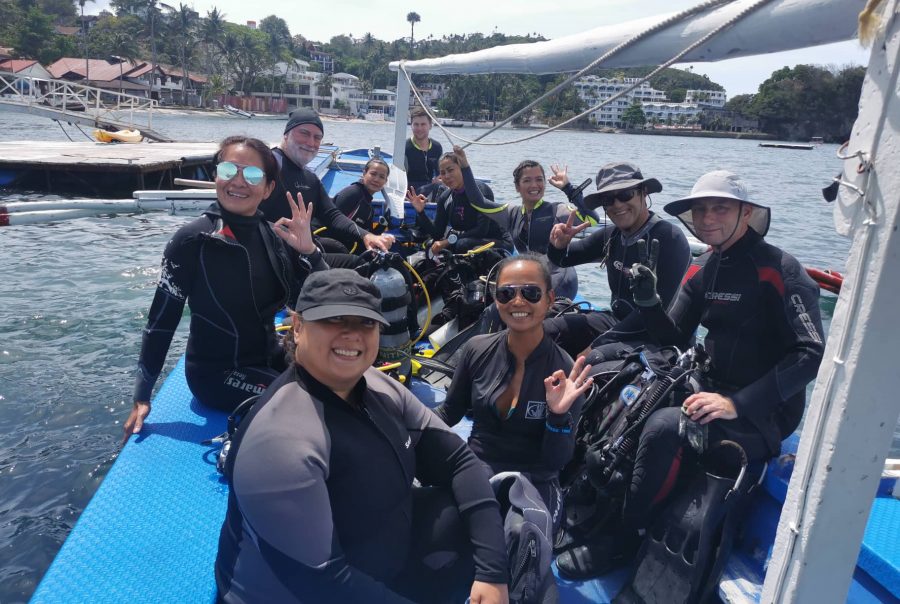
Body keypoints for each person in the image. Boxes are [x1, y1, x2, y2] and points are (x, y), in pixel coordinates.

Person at [560, 170, 826, 582]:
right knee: (628, 392)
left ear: (746, 213)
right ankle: (595, 494)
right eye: (700, 210)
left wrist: (736, 404)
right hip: (710, 385)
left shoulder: (780, 270)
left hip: (764, 409)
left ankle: (627, 536)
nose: (707, 218)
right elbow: (672, 335)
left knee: (664, 427)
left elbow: (810, 354)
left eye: (720, 208)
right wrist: (649, 303)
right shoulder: (705, 266)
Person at [215, 269, 510, 604]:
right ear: (297, 326)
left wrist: (492, 573)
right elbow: (322, 583)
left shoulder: (378, 386)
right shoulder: (280, 440)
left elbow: (458, 461)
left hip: (377, 557)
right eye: (334, 319)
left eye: (366, 323)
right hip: (299, 593)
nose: (352, 334)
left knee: (481, 511)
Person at [123, 136, 326, 441]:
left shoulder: (270, 235)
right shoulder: (193, 241)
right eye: (229, 170)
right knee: (306, 406)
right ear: (216, 176)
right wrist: (142, 395)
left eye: (253, 175)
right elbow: (160, 322)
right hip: (216, 374)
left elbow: (313, 300)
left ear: (268, 188)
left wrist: (309, 252)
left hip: (267, 355)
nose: (239, 181)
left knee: (340, 383)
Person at [434, 254, 593, 535]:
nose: (518, 302)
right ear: (496, 300)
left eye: (531, 293)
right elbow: (448, 413)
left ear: (550, 299)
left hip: (536, 479)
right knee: (444, 527)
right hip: (480, 465)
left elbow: (555, 462)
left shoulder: (564, 371)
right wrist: (400, 422)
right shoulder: (476, 349)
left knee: (522, 536)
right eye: (506, 293)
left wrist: (557, 416)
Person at [544, 162, 691, 358]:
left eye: (626, 194)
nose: (618, 204)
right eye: (608, 199)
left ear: (644, 192)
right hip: (616, 321)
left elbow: (658, 313)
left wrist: (597, 344)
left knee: (592, 359)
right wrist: (558, 245)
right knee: (543, 332)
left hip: (657, 338)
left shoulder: (669, 238)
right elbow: (562, 260)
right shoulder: (612, 235)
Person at [259, 108, 394, 255]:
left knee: (359, 263)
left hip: (301, 252)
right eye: (304, 133)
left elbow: (332, 215)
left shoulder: (310, 178)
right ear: (286, 134)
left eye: (317, 137)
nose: (311, 142)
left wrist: (366, 235)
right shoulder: (268, 165)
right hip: (270, 252)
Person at [507, 160, 595, 300]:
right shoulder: (513, 213)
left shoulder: (557, 211)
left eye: (539, 179)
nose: (534, 185)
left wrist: (568, 188)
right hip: (532, 275)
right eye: (527, 180)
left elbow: (592, 219)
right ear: (517, 186)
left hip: (559, 276)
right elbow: (479, 203)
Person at [407, 145, 514, 255]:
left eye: (450, 170)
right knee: (432, 245)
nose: (447, 176)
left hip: (498, 241)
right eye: (443, 173)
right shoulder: (445, 198)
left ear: (462, 169)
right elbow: (437, 233)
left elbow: (482, 230)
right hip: (468, 241)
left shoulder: (481, 191)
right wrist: (421, 212)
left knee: (462, 244)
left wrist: (448, 241)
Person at [333, 157, 390, 244]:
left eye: (381, 177)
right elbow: (333, 225)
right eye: (373, 174)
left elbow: (369, 237)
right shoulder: (352, 194)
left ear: (385, 181)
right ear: (364, 173)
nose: (376, 179)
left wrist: (383, 224)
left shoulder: (369, 207)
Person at [405, 106, 443, 194]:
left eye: (423, 124)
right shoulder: (405, 147)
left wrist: (440, 179)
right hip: (411, 192)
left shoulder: (437, 147)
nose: (419, 128)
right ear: (411, 125)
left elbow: (440, 173)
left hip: (432, 189)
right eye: (416, 124)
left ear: (430, 125)